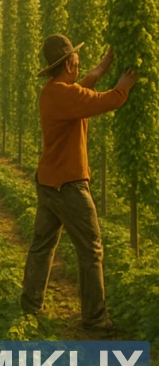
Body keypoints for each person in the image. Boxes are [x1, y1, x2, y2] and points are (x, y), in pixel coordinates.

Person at [21, 35, 138, 333]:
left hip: (48, 182)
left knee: (42, 246)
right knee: (91, 250)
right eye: (76, 58)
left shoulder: (52, 91)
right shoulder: (66, 95)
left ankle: (30, 306)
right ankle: (96, 320)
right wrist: (124, 86)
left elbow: (84, 87)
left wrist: (104, 65)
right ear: (70, 63)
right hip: (70, 186)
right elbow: (107, 100)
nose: (79, 62)